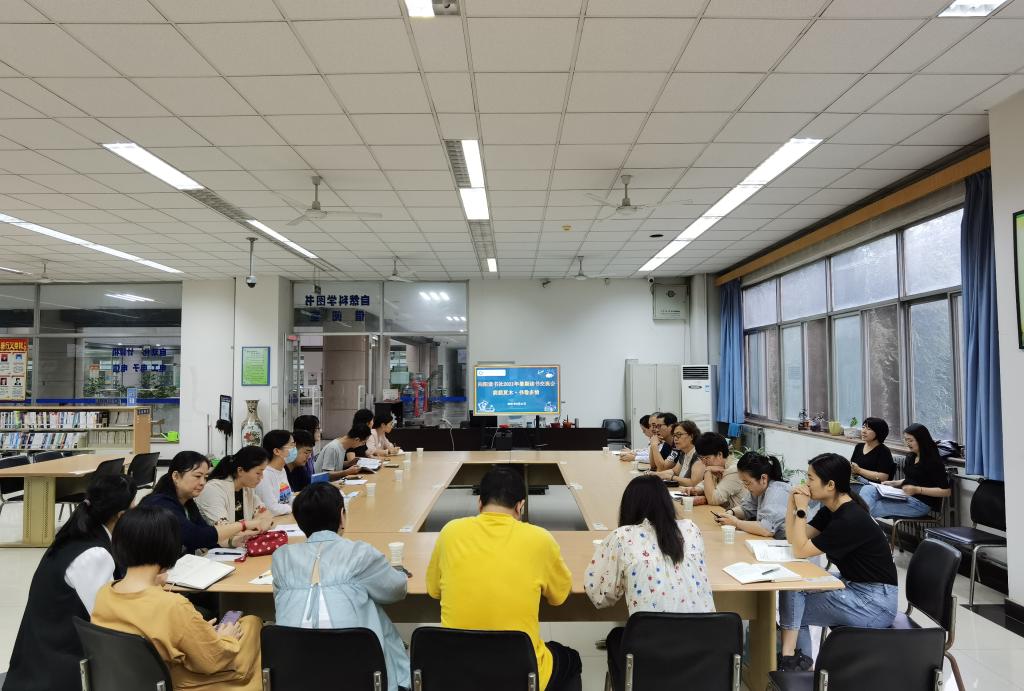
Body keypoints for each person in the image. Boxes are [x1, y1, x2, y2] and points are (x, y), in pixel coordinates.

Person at [426, 467, 582, 691]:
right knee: (571, 658)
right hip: (521, 675)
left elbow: (433, 591)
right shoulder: (540, 539)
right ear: (520, 506)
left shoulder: (450, 532)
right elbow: (559, 597)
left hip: (457, 672)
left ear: (479, 503)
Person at [92, 505, 263, 691]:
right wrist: (225, 638)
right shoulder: (172, 605)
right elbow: (212, 661)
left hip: (129, 682)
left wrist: (197, 629)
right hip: (182, 683)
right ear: (169, 547)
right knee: (252, 624)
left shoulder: (104, 594)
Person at [272, 483, 410, 691]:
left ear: (300, 523)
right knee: (372, 608)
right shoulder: (359, 553)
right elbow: (395, 590)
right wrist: (399, 572)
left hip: (294, 671)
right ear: (342, 516)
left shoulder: (282, 558)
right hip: (358, 672)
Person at [5, 475, 137, 691]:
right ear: (121, 516)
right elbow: (108, 621)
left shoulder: (75, 536)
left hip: (36, 662)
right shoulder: (95, 555)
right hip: (60, 672)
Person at [586, 475, 714, 691]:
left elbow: (599, 595)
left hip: (651, 659)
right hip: (704, 656)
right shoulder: (691, 529)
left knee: (616, 637)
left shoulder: (623, 536)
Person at [778, 453, 898, 671]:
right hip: (854, 585)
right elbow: (794, 538)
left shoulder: (849, 518)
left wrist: (802, 509)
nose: (806, 483)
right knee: (793, 585)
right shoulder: (831, 510)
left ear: (830, 485)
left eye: (811, 478)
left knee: (796, 609)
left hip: (874, 604)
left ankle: (796, 667)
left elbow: (800, 550)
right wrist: (791, 503)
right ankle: (794, 661)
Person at [142, 451, 259, 554]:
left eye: (205, 477)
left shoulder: (188, 501)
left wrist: (233, 542)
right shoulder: (160, 504)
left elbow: (205, 534)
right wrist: (243, 525)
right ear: (176, 476)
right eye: (197, 476)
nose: (203, 482)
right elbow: (195, 537)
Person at [858, 423, 951, 519]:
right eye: (906, 440)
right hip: (904, 496)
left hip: (919, 504)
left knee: (871, 508)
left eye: (910, 440)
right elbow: (913, 479)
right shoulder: (911, 457)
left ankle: (860, 520)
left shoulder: (933, 462)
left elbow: (946, 491)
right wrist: (894, 483)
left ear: (921, 440)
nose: (907, 443)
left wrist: (917, 490)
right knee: (868, 489)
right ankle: (862, 519)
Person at [195, 446, 275, 541]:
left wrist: (257, 525)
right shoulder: (213, 489)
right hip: (215, 548)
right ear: (240, 471)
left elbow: (266, 514)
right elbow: (223, 530)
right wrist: (253, 525)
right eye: (258, 473)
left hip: (240, 544)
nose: (261, 477)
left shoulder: (246, 488)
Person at [714, 452, 791, 538]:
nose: (745, 486)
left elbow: (766, 529)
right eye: (743, 482)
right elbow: (746, 509)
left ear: (763, 478)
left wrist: (736, 523)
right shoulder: (760, 489)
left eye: (747, 482)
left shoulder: (777, 492)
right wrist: (731, 513)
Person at [684, 432, 747, 511]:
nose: (703, 462)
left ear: (719, 454)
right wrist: (697, 489)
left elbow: (713, 499)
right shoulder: (718, 466)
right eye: (701, 458)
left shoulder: (734, 470)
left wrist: (707, 471)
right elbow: (708, 484)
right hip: (722, 512)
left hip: (738, 516)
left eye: (706, 458)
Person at [257, 429, 296, 516]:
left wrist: (302, 503)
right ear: (277, 451)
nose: (295, 449)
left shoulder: (282, 469)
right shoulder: (264, 474)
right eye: (291, 445)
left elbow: (288, 498)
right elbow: (271, 508)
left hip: (284, 517)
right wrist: (293, 507)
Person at [849, 417, 896, 488]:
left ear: (878, 432)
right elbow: (853, 466)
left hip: (872, 486)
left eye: (869, 429)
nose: (864, 431)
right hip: (856, 481)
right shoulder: (859, 446)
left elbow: (883, 477)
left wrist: (859, 470)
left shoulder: (884, 451)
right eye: (863, 427)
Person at [652, 420, 701, 485]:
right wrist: (656, 474)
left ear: (691, 436)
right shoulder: (684, 453)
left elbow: (693, 483)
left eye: (679, 435)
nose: (675, 439)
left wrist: (670, 477)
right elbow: (674, 471)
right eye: (674, 435)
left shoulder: (699, 455)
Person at [292, 415, 321, 485]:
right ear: (308, 430)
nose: (320, 431)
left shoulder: (310, 450)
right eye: (317, 428)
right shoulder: (296, 454)